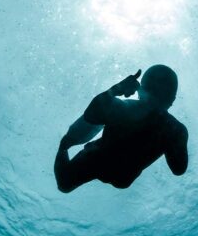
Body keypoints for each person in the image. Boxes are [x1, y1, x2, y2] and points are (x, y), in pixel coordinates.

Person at [55, 65, 188, 193]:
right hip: (106, 164)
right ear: (171, 100)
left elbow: (178, 169)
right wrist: (115, 91)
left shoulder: (173, 129)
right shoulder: (174, 128)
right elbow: (178, 169)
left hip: (102, 162)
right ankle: (66, 143)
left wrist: (115, 91)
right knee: (64, 183)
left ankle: (66, 143)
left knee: (65, 183)